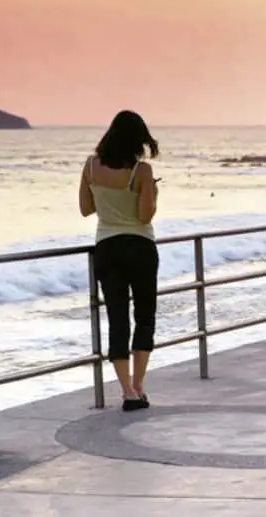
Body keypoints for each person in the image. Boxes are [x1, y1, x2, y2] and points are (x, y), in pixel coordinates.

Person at [79, 110, 161, 412]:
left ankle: (125, 390)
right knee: (144, 316)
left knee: (117, 319)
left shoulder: (90, 166)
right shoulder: (141, 171)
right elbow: (144, 215)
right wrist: (151, 192)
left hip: (107, 249)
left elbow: (85, 209)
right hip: (139, 247)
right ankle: (139, 386)